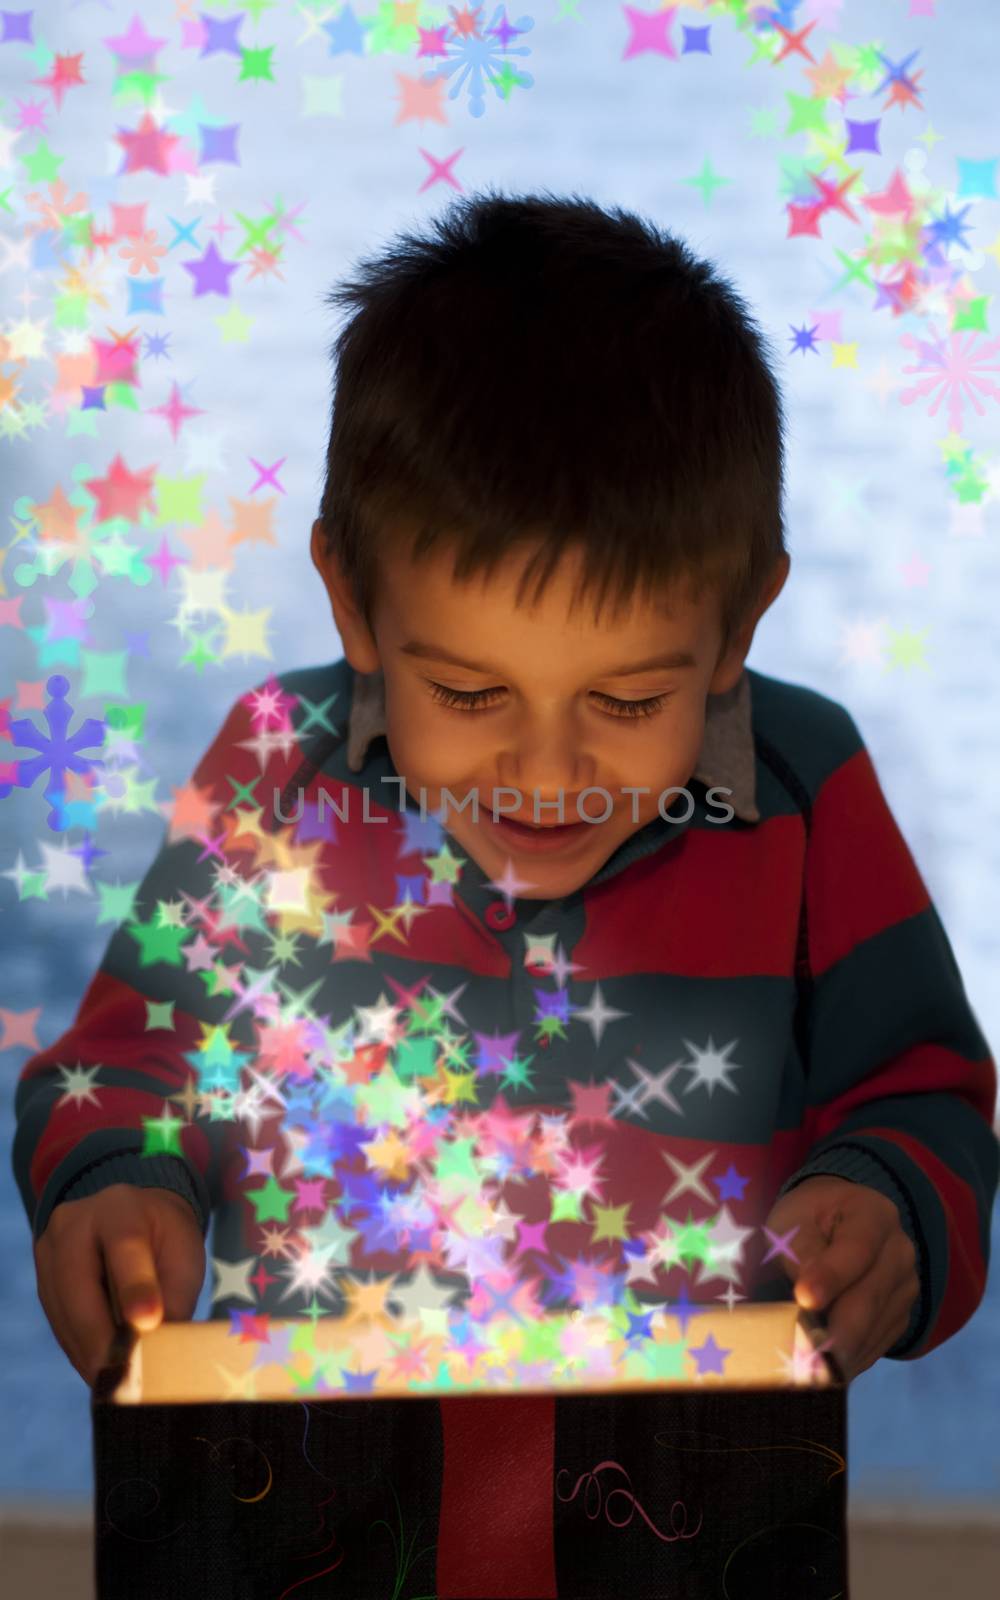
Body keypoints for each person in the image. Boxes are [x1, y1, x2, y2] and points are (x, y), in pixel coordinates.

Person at [12, 188, 998, 1597]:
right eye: (470, 691)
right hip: (317, 1512)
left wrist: (888, 1203)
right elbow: (126, 1067)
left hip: (688, 1520)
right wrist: (118, 1183)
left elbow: (924, 1098)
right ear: (353, 605)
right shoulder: (276, 777)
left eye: (630, 695)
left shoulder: (805, 785)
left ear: (742, 621)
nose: (548, 771)